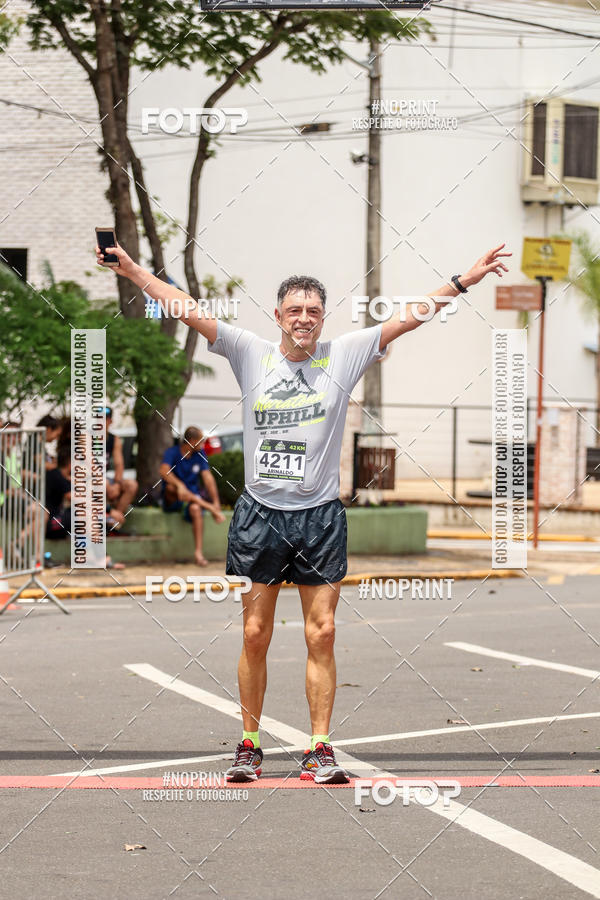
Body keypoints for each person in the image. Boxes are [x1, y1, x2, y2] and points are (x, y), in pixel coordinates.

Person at [96, 239, 511, 784]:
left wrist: (463, 281)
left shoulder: (344, 353)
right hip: (261, 514)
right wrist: (130, 268)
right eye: (294, 310)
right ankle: (249, 744)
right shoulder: (250, 351)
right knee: (254, 634)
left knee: (323, 632)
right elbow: (186, 305)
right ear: (278, 316)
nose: (304, 319)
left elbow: (409, 317)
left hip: (318, 515)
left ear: (322, 318)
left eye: (313, 311)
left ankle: (320, 747)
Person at [159, 426, 226, 567]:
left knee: (195, 508)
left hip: (192, 499)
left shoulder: (199, 454)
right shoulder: (172, 452)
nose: (202, 445)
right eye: (200, 441)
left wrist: (216, 502)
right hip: (174, 498)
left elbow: (207, 477)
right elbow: (164, 470)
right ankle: (210, 508)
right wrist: (180, 486)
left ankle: (198, 553)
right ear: (191, 441)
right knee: (172, 488)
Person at [105, 406, 138, 530]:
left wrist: (117, 484)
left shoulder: (114, 439)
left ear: (110, 421)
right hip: (90, 479)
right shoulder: (88, 437)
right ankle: (107, 516)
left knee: (131, 485)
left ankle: (115, 519)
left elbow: (119, 464)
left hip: (106, 478)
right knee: (103, 483)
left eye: (105, 419)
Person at [45, 445, 71, 539]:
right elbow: (75, 499)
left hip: (57, 518)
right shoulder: (56, 474)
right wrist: (108, 509)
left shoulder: (61, 475)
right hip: (50, 523)